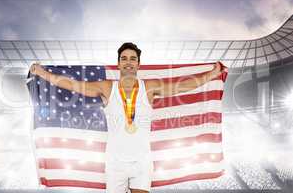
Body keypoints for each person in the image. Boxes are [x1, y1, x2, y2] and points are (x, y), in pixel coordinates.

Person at [30, 42, 222, 193]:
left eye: (132, 58)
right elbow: (73, 85)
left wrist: (213, 73)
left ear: (138, 63)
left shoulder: (150, 87)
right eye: (124, 58)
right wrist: (41, 72)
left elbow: (184, 86)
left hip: (142, 162)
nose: (128, 62)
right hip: (115, 163)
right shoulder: (107, 87)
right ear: (119, 63)